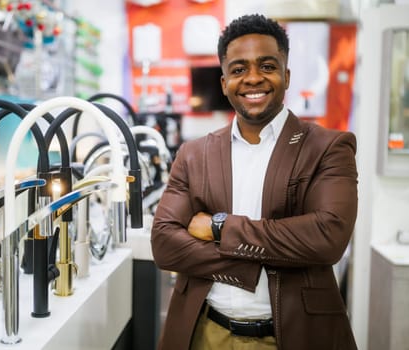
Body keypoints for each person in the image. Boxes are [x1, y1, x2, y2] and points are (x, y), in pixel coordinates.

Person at [151, 13, 358, 350]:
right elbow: (164, 243)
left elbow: (327, 237)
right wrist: (254, 263)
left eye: (266, 66)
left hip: (292, 335)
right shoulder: (193, 154)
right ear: (223, 82)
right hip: (204, 333)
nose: (252, 79)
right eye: (238, 69)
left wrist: (220, 228)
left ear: (286, 76)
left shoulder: (328, 147)